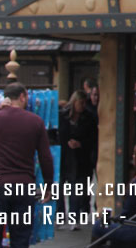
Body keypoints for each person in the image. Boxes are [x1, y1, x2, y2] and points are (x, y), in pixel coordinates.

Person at [0, 83, 54, 248]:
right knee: (20, 237)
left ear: (7, 98)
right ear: (23, 97)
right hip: (23, 186)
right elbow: (46, 157)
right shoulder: (36, 121)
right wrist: (48, 185)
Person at [59, 90, 96, 229]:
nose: (82, 105)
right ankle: (60, 216)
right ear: (74, 102)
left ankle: (74, 217)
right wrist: (65, 141)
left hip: (81, 157)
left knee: (77, 190)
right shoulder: (62, 115)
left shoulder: (89, 117)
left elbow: (93, 138)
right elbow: (56, 134)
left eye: (84, 103)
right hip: (64, 155)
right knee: (60, 187)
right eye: (80, 103)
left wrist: (81, 144)